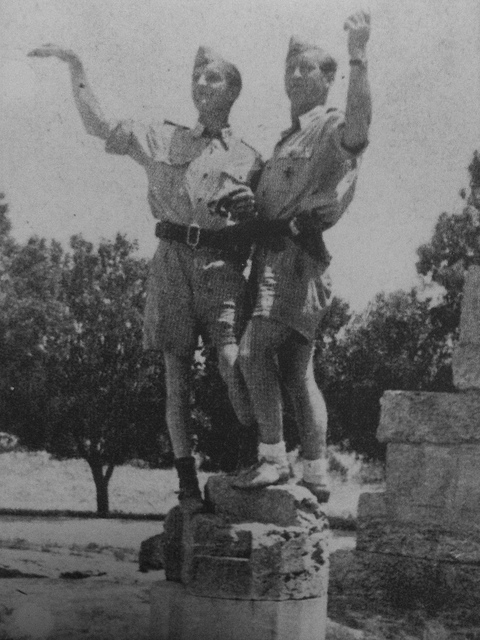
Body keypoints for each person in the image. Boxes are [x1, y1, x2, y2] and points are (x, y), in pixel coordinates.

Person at [28, 44, 262, 510]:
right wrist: (77, 67)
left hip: (223, 268)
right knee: (177, 379)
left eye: (212, 78)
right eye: (196, 76)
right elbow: (98, 125)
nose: (199, 84)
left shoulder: (251, 158)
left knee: (232, 362)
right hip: (172, 261)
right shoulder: (161, 137)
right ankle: (187, 483)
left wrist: (248, 210)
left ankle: (250, 466)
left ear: (233, 90)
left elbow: (262, 225)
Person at [232, 11, 372, 501]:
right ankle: (314, 471)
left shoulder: (329, 125)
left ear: (329, 79)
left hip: (295, 259)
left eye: (306, 68)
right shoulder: (287, 137)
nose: (295, 75)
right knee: (296, 372)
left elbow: (359, 129)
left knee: (252, 353)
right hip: (279, 259)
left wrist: (358, 57)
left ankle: (272, 458)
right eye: (290, 67)